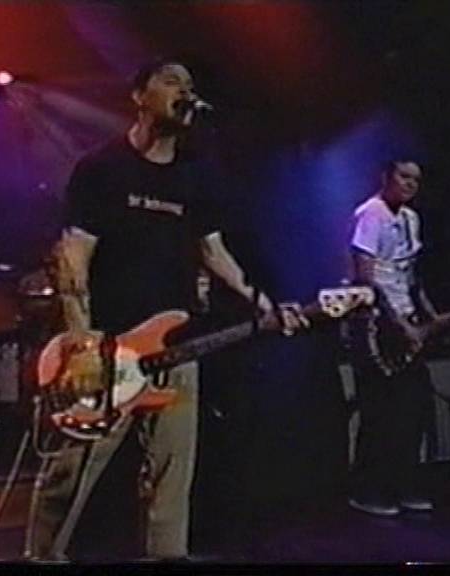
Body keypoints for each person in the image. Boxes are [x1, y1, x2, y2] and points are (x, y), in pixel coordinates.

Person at [24, 59, 302, 561]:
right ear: (139, 95)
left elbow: (214, 252)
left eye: (190, 85)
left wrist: (264, 303)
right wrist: (82, 344)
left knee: (172, 477)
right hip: (109, 347)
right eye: (172, 81)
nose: (185, 92)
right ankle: (41, 556)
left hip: (177, 347)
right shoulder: (102, 168)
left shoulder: (196, 175)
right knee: (72, 470)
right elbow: (73, 256)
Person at [345, 159, 444, 517]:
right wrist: (397, 323)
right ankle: (368, 490)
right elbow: (366, 276)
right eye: (404, 177)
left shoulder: (411, 219)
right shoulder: (370, 214)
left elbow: (411, 275)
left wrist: (430, 317)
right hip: (375, 322)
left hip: (406, 317)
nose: (410, 184)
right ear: (386, 177)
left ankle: (403, 484)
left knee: (413, 406)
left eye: (416, 179)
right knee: (381, 408)